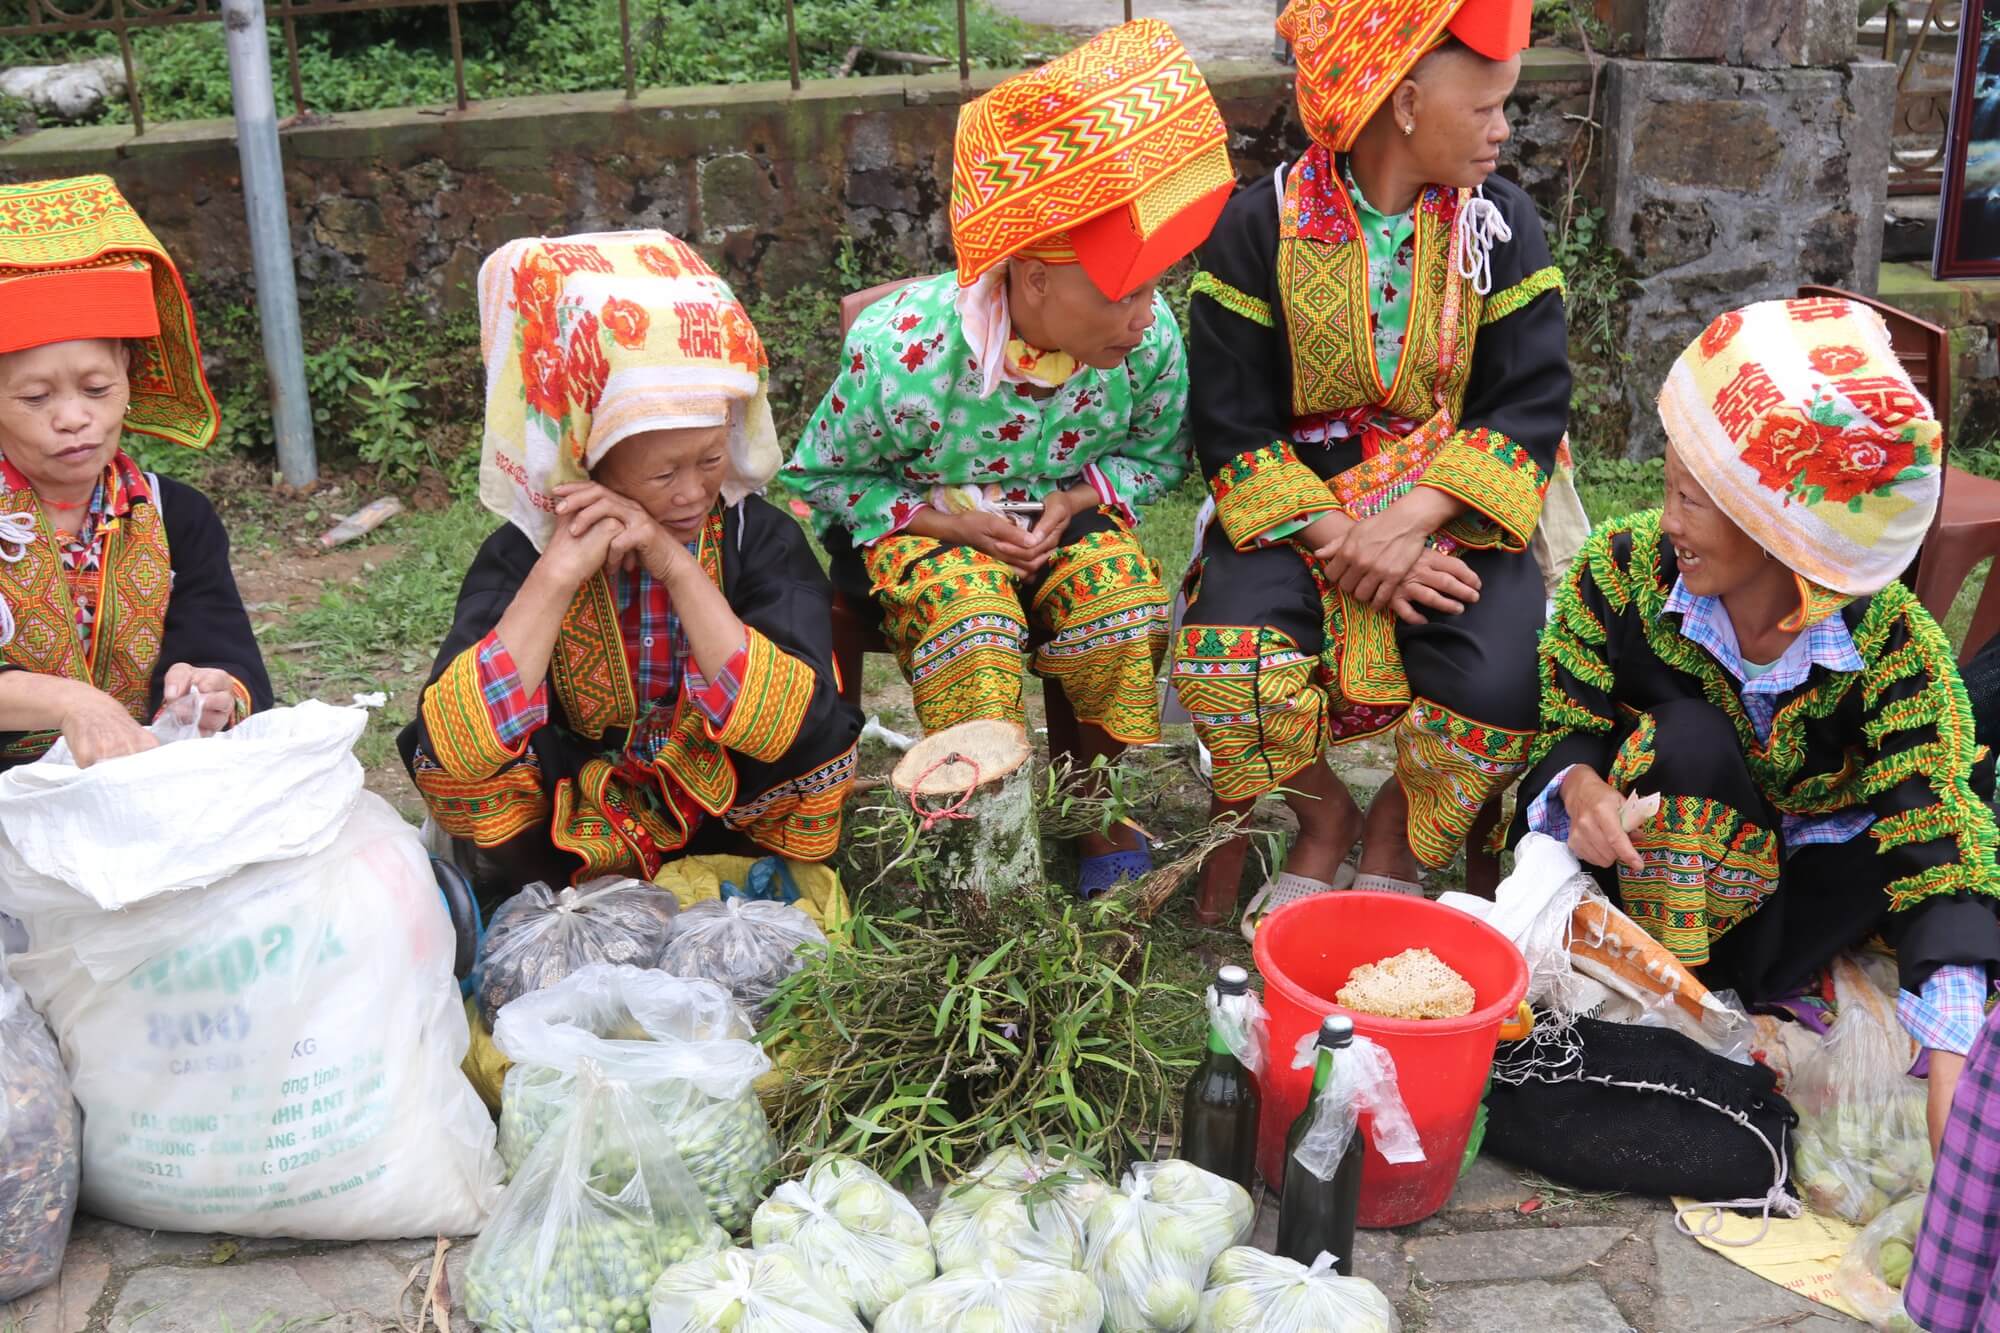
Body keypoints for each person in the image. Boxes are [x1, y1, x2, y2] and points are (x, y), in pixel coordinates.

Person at [1516, 295, 2000, 1132]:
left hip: (1800, 913)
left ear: (1780, 529)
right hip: (1655, 893)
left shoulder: (1893, 649)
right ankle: (1683, 1007)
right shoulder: (1624, 574)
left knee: (1948, 812)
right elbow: (1569, 710)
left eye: (1690, 501)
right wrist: (1583, 788)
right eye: (1668, 488)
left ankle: (1749, 1007)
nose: (1665, 520)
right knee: (1689, 737)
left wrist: (1956, 1070)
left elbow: (1938, 843)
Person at [785, 18, 1234, 895]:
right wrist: (955, 524)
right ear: (1033, 280)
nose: (1149, 314)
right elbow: (822, 478)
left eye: (1152, 288)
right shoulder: (903, 356)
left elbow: (1154, 457)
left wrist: (1080, 495)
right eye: (1126, 291)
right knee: (972, 629)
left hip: (1061, 516)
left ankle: (1095, 803)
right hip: (929, 526)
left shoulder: (1147, 346)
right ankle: (985, 838)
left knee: (1123, 604)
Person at [1171, 0, 1569, 933]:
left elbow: (1525, 403)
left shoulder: (1499, 226)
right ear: (1403, 102)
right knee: (1230, 667)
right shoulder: (1256, 226)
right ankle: (1324, 818)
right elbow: (1230, 422)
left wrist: (1405, 522)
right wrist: (1349, 537)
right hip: (1298, 513)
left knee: (1507, 692)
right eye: (1485, 108)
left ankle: (1395, 830)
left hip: (1446, 509)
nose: (1503, 130)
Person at [401, 231, 860, 890]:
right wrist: (558, 572)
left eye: (709, 459)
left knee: (816, 750)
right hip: (572, 820)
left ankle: (752, 884)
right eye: (662, 473)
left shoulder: (757, 538)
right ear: (592, 460)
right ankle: (537, 900)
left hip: (720, 804)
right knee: (456, 765)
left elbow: (795, 718)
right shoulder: (522, 555)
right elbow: (456, 743)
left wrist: (675, 566)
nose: (693, 492)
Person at [0, 173, 270, 770]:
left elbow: (223, 647)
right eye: (36, 398)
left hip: (143, 780)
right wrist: (69, 702)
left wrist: (209, 686)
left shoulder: (178, 515)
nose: (74, 418)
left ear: (127, 373)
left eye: (97, 388)